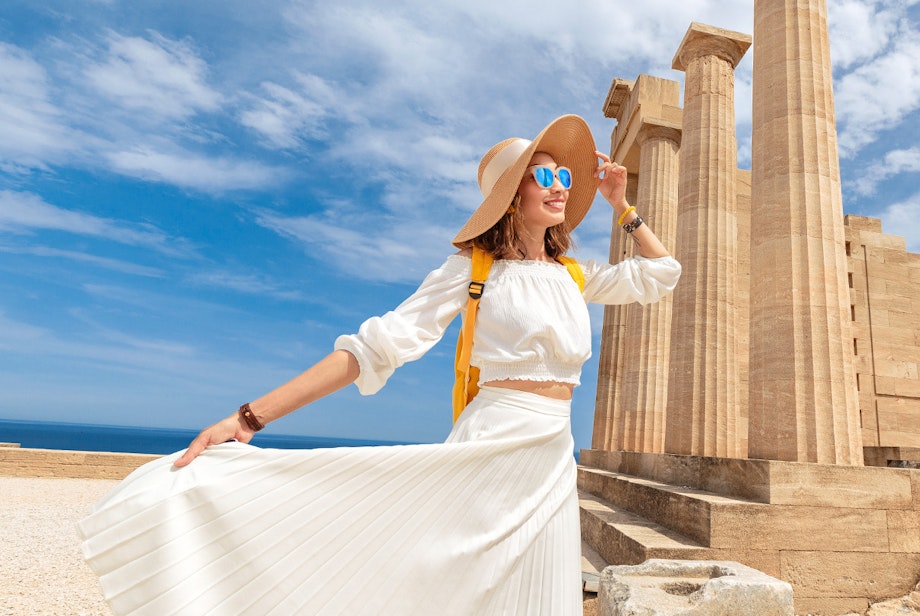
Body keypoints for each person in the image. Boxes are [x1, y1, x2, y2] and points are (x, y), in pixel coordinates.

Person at [78, 114, 680, 616]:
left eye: (564, 175)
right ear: (511, 196)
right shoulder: (470, 272)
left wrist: (622, 207)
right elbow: (371, 349)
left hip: (550, 455)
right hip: (492, 444)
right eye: (543, 174)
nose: (560, 185)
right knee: (451, 590)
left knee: (537, 598)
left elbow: (661, 275)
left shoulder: (574, 277)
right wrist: (247, 418)